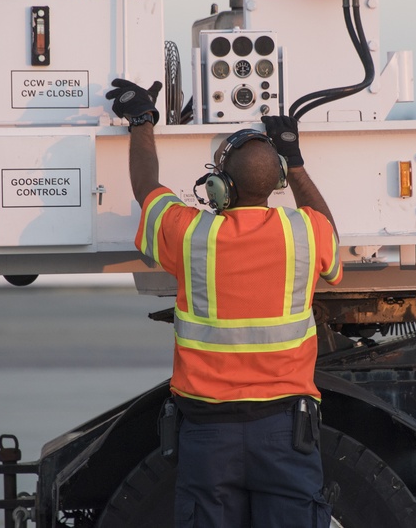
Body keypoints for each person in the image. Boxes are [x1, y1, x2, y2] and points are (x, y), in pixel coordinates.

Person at [107, 78, 343, 528]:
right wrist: (293, 163)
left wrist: (142, 120)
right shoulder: (306, 234)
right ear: (274, 182)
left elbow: (145, 187)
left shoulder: (194, 235)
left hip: (208, 434)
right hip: (285, 433)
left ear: (219, 188)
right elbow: (328, 229)